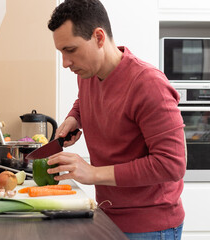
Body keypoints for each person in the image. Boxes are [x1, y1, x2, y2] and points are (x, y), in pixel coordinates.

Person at [46, 0, 186, 239]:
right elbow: (85, 99)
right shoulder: (88, 72)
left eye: (70, 50)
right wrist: (74, 117)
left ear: (99, 37)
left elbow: (171, 164)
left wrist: (92, 174)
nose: (65, 63)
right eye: (61, 52)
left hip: (151, 228)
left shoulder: (148, 85)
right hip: (107, 215)